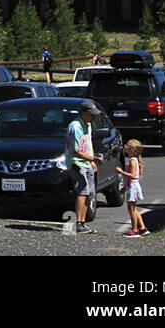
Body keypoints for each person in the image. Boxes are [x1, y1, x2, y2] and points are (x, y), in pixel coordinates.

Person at [65, 100, 104, 233]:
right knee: (82, 192)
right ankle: (79, 222)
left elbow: (88, 145)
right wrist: (93, 158)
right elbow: (77, 150)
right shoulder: (76, 127)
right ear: (83, 113)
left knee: (89, 193)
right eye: (91, 114)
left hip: (87, 162)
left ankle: (83, 221)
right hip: (78, 163)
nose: (93, 117)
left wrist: (91, 161)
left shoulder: (88, 124)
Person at [115, 140, 148, 237]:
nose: (125, 146)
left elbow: (133, 175)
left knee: (131, 209)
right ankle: (142, 228)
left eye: (127, 146)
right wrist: (124, 188)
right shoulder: (132, 160)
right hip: (131, 187)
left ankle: (134, 229)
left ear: (132, 150)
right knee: (134, 208)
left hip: (133, 187)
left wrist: (121, 172)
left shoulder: (133, 161)